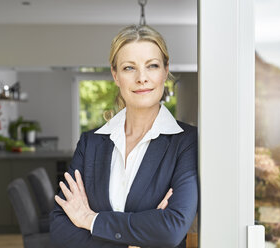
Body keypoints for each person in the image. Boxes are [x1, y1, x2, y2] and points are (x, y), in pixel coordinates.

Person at [50, 25, 198, 248]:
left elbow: (171, 229)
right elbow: (60, 228)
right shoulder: (91, 143)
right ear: (115, 75)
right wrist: (137, 239)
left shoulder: (187, 142)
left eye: (152, 66)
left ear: (165, 71)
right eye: (129, 68)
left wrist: (89, 219)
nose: (142, 78)